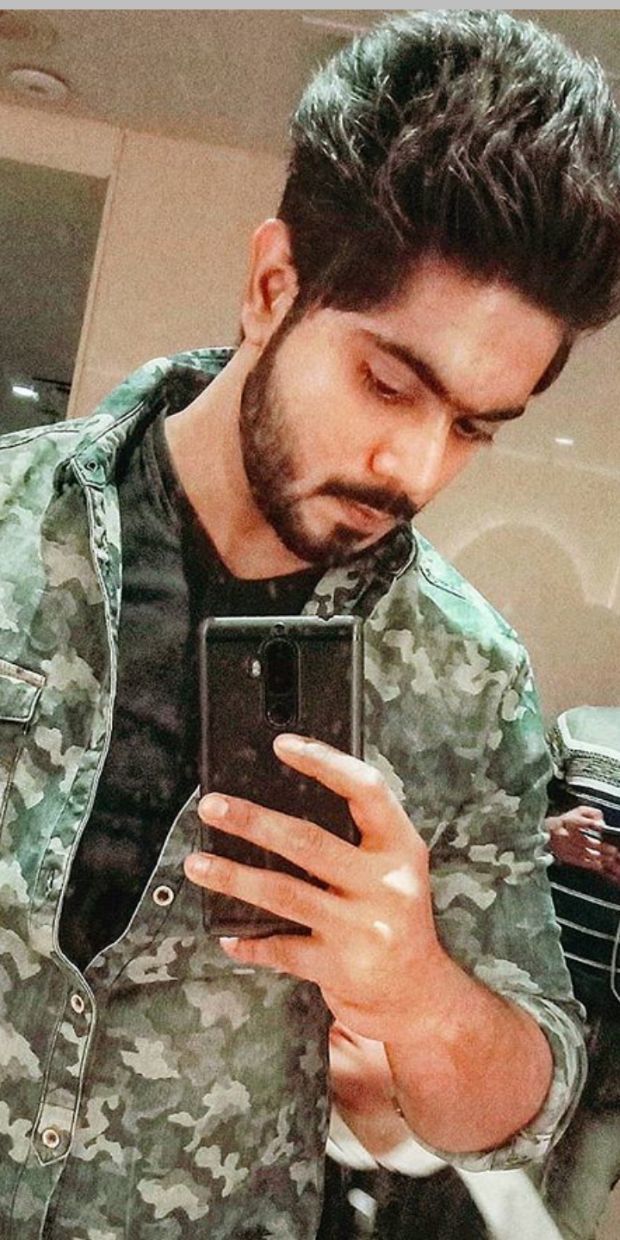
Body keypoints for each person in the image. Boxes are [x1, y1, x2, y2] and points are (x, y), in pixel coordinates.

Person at [1, 10, 619, 1237]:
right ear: (271, 285)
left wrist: (416, 986)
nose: (416, 466)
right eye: (387, 384)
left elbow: (519, 1109)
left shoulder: (466, 678)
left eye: (472, 426)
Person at [539, 707, 620, 1239]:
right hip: (541, 993)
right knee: (489, 1195)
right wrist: (551, 836)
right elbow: (494, 824)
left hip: (619, 1047)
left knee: (571, 1220)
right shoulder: (579, 730)